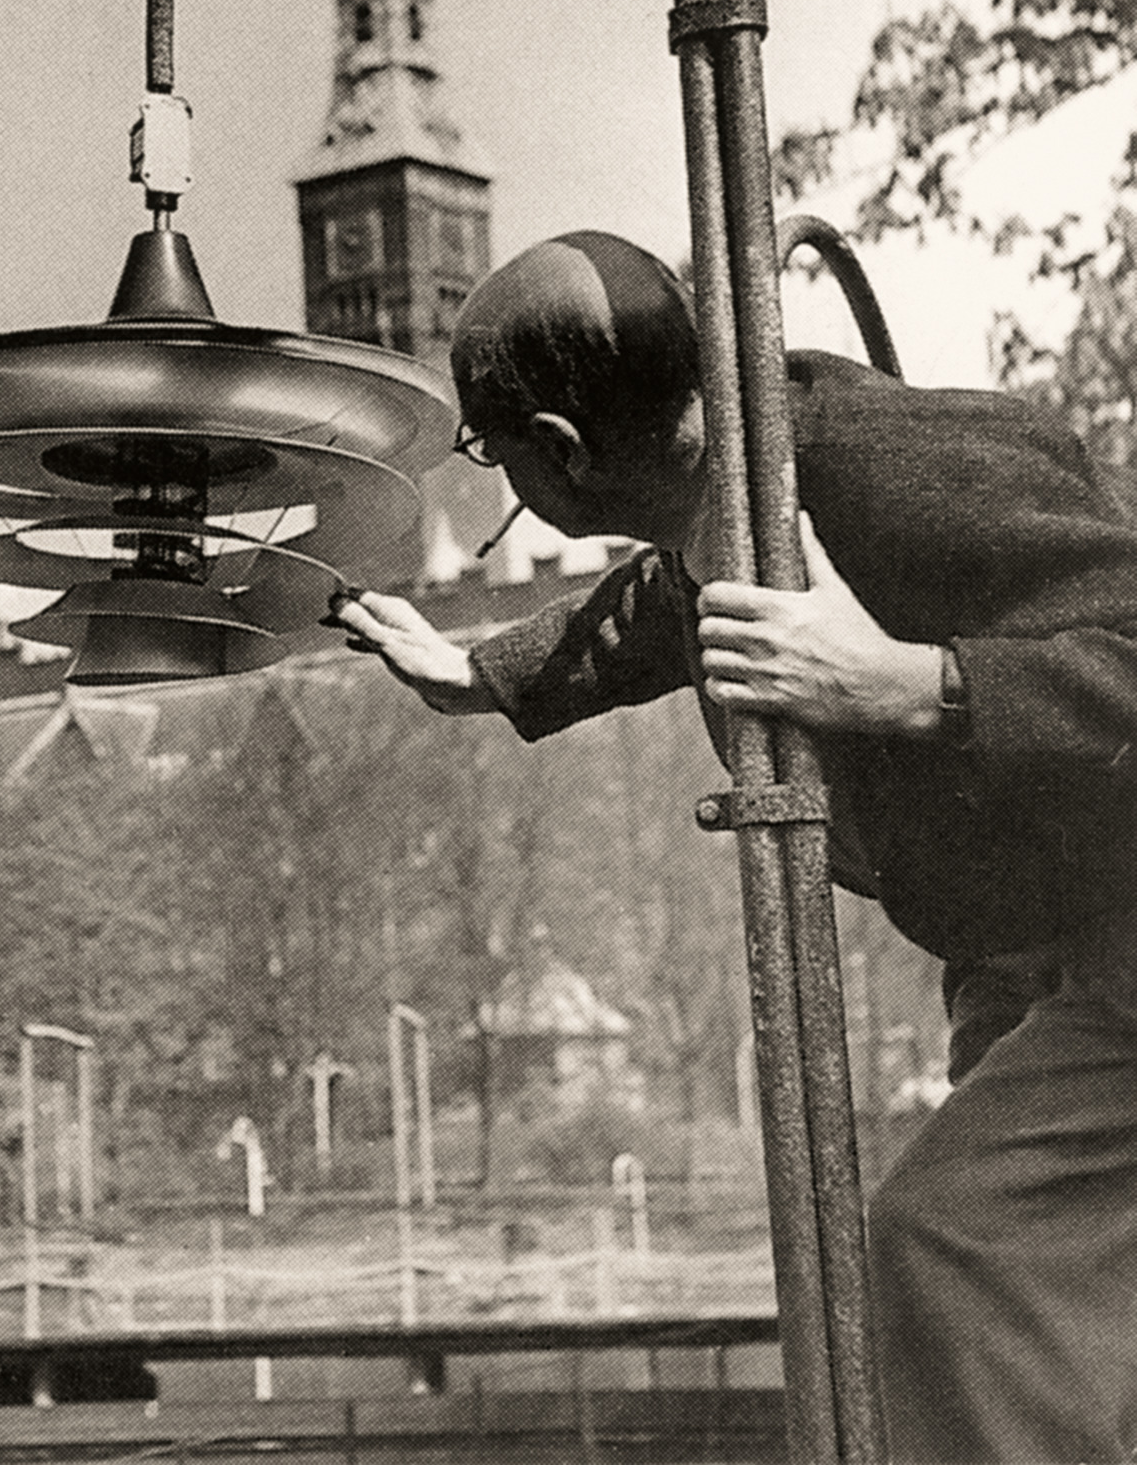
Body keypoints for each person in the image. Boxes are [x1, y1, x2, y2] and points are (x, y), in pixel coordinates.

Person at [331, 229, 1137, 1465]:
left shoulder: (890, 463)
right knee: (1044, 1317)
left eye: (494, 453)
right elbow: (681, 598)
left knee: (945, 1246)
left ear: (558, 453)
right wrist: (485, 672)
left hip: (1115, 938)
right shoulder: (738, 481)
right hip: (1037, 935)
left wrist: (918, 684)